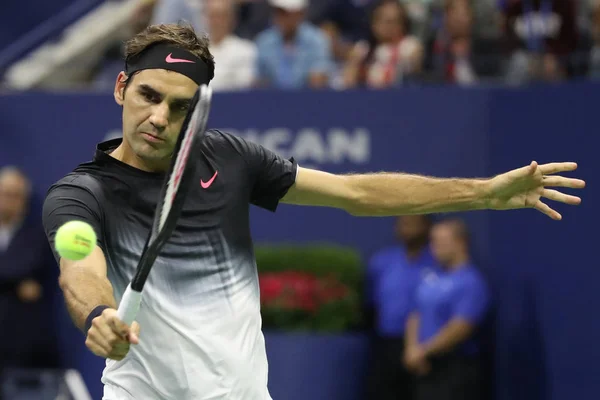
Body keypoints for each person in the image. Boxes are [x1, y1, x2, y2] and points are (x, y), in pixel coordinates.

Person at [41, 22, 585, 400]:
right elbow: (79, 266)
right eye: (149, 96)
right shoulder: (82, 193)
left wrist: (484, 192)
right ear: (121, 87)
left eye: (180, 106)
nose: (159, 117)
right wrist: (98, 316)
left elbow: (356, 193)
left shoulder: (230, 158)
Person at [404, 218, 489, 400]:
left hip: (455, 368)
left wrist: (424, 351)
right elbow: (415, 313)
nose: (434, 247)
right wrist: (411, 348)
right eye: (432, 241)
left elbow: (461, 326)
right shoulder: (429, 277)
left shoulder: (471, 281)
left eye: (441, 242)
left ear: (460, 243)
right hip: (424, 367)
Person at [364, 215, 437, 400]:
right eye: (402, 224)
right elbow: (371, 302)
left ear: (426, 227)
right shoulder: (381, 261)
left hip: (425, 346)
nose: (406, 230)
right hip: (386, 342)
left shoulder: (437, 262)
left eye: (412, 224)